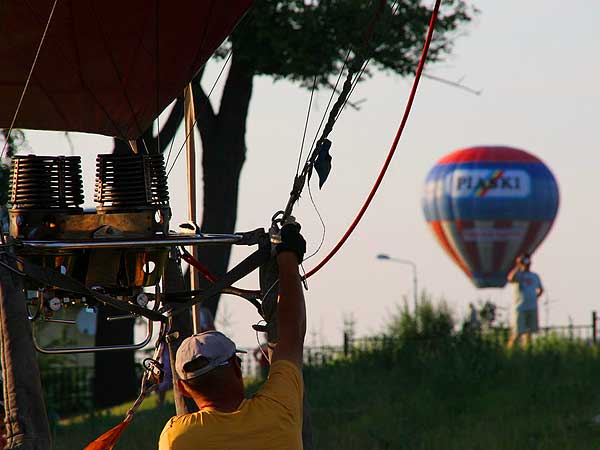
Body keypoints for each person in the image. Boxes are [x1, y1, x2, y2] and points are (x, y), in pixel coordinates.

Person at [159, 223, 306, 450]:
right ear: (237, 367)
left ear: (181, 388)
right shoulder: (278, 409)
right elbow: (291, 333)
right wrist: (288, 255)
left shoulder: (178, 437)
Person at [507, 253, 544, 347]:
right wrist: (518, 266)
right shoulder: (518, 275)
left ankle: (527, 351)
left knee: (529, 333)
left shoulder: (535, 276)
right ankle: (509, 351)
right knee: (517, 332)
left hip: (532, 307)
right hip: (520, 308)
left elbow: (540, 289)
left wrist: (535, 297)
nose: (527, 263)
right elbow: (510, 278)